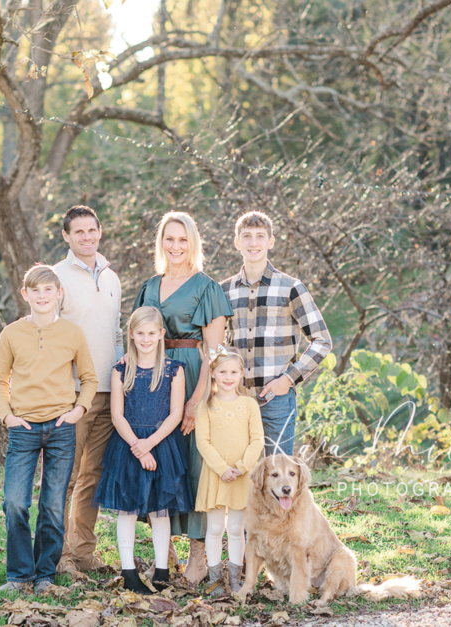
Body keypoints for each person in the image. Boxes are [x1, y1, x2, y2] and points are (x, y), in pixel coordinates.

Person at [133, 211, 233, 584]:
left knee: (193, 464)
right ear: (161, 243)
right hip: (155, 376)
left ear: (193, 243)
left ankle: (197, 550)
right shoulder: (149, 286)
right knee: (156, 458)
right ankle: (164, 546)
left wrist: (196, 400)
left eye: (183, 240)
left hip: (192, 374)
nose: (176, 247)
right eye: (169, 239)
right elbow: (137, 335)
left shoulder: (207, 287)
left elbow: (216, 351)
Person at [0, 265, 99, 595]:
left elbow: (90, 378)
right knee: (15, 503)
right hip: (23, 428)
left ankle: (44, 575)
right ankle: (19, 574)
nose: (42, 296)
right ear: (25, 294)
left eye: (48, 290)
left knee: (52, 505)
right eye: (35, 290)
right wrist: (7, 416)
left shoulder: (72, 333)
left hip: (61, 427)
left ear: (58, 293)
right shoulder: (11, 333)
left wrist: (78, 411)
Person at [93, 307, 193, 594]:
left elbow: (175, 414)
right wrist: (138, 447)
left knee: (160, 510)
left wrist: (150, 444)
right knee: (127, 509)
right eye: (140, 334)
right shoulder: (121, 370)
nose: (146, 339)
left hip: (162, 445)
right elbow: (117, 416)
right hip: (127, 445)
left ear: (162, 334)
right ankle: (129, 573)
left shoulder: (175, 370)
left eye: (152, 333)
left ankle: (162, 570)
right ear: (132, 335)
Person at [219, 211, 332, 456]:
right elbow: (219, 344)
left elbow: (322, 341)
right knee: (240, 477)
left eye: (260, 236)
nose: (253, 243)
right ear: (237, 242)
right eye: (246, 236)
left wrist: (288, 379)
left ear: (271, 241)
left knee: (277, 474)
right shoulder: (224, 290)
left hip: (276, 400)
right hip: (235, 398)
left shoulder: (290, 287)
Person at [54, 206, 124, 574]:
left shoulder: (111, 277)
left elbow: (115, 333)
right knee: (63, 477)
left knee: (92, 476)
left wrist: (123, 375)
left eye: (91, 230)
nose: (86, 237)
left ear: (100, 231)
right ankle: (58, 555)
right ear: (66, 236)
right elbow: (46, 337)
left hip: (108, 392)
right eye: (78, 232)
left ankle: (82, 553)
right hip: (72, 394)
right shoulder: (56, 277)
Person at [194, 346, 265, 596]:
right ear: (213, 373)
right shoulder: (205, 406)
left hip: (241, 477)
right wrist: (223, 469)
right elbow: (203, 442)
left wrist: (241, 467)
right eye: (222, 371)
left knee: (236, 529)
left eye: (234, 372)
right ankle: (215, 580)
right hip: (216, 475)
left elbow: (257, 440)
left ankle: (235, 580)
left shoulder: (248, 405)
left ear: (241, 374)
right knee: (214, 530)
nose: (228, 377)